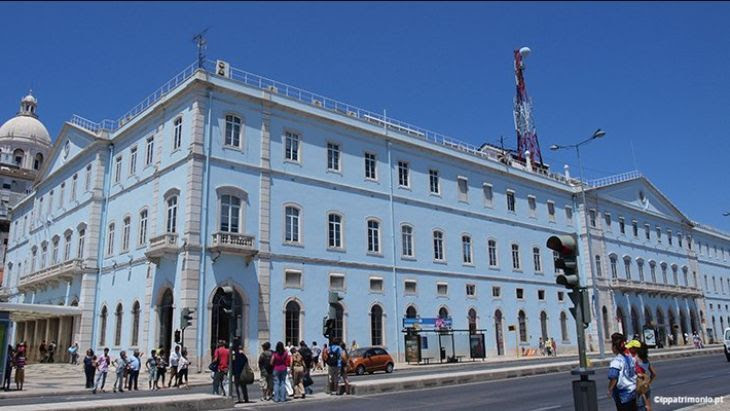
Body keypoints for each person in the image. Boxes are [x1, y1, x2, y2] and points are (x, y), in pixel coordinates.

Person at [608, 333, 637, 410]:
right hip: (633, 391)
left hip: (623, 394)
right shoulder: (630, 358)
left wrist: (610, 389)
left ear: (614, 347)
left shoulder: (616, 361)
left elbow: (613, 377)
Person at [636, 342, 656, 411]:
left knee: (640, 405)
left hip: (639, 385)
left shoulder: (636, 360)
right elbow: (653, 374)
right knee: (648, 406)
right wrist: (649, 382)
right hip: (646, 384)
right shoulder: (646, 360)